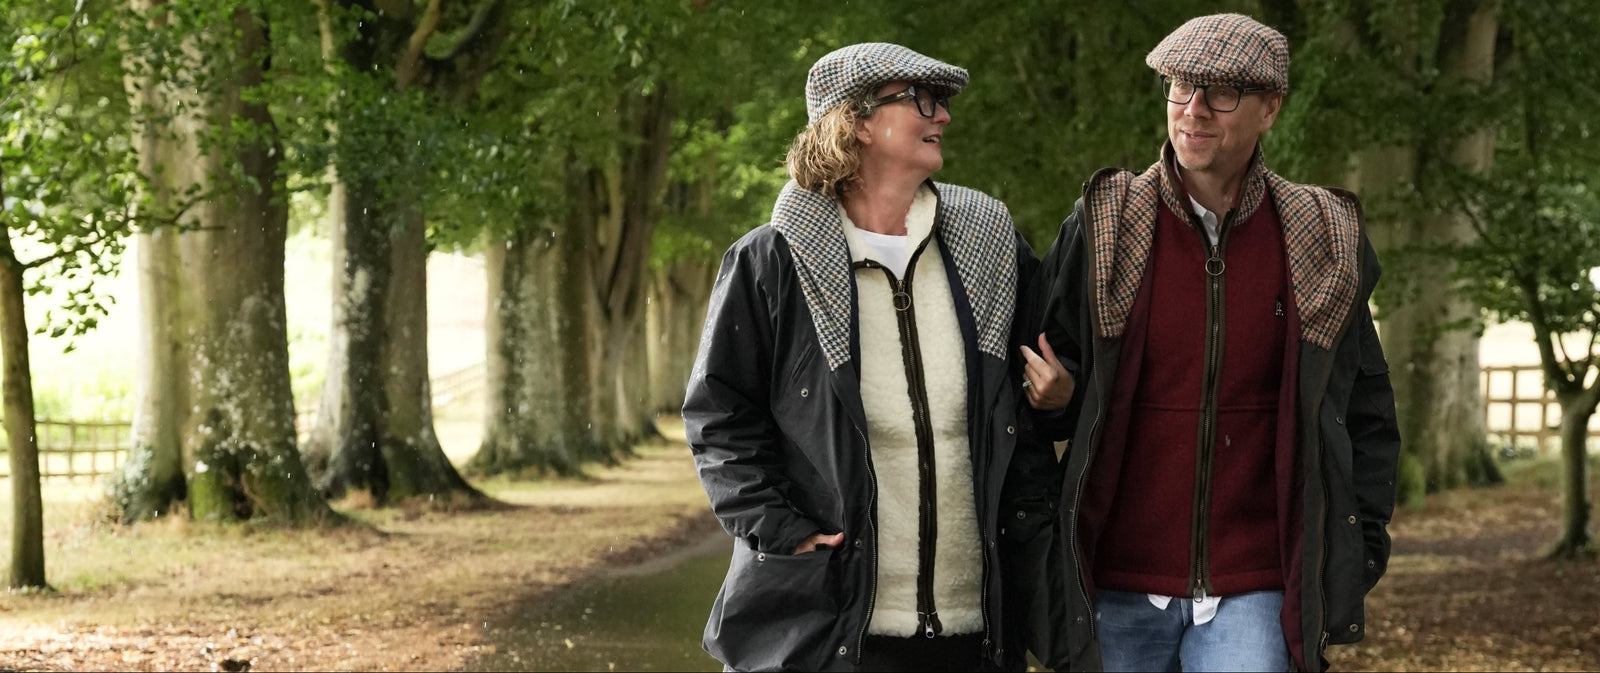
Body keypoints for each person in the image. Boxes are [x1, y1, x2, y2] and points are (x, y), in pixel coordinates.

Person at [683, 42, 1072, 672]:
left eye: (941, 101)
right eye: (921, 99)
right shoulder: (771, 262)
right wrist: (780, 529)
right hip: (831, 625)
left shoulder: (989, 247)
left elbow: (1037, 405)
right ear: (858, 122)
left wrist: (1058, 397)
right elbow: (718, 417)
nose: (942, 115)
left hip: (975, 629)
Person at [1031, 14, 1402, 673]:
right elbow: (1041, 396)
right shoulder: (1106, 224)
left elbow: (1365, 410)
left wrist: (1361, 545)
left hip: (1256, 587)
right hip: (1113, 581)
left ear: (1270, 109)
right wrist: (1057, 403)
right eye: (1181, 87)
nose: (1194, 109)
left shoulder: (1320, 237)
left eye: (1222, 92)